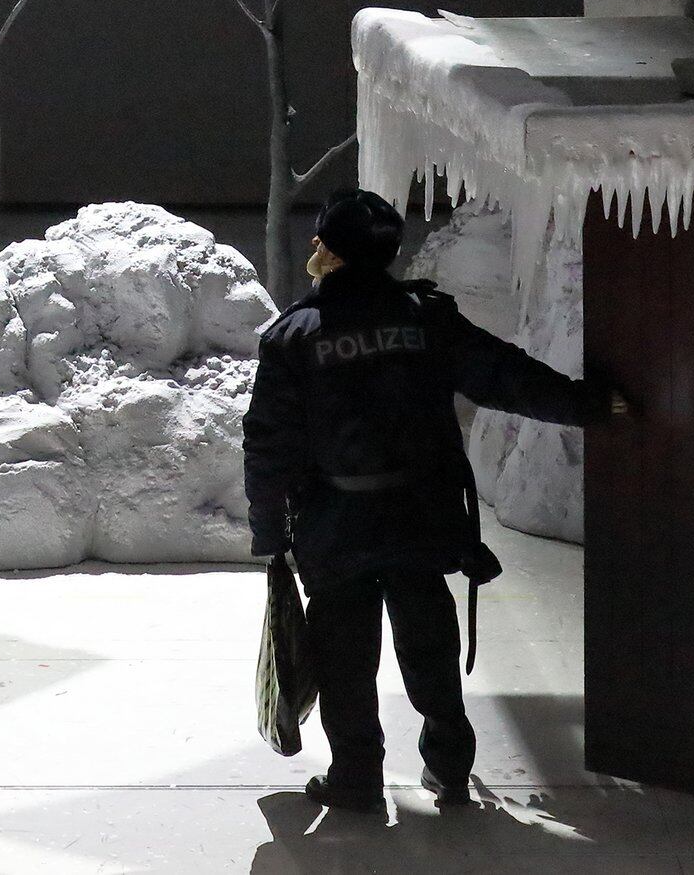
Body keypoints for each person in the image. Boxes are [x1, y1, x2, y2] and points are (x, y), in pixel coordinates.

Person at [243, 188, 628, 812]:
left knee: (345, 656)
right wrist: (585, 404)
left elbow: (268, 448)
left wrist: (271, 535)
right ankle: (448, 770)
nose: (312, 248)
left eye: (320, 240)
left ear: (333, 254)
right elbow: (503, 375)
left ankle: (357, 778)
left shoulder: (295, 338)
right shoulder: (425, 319)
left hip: (336, 527)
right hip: (421, 518)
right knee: (428, 646)